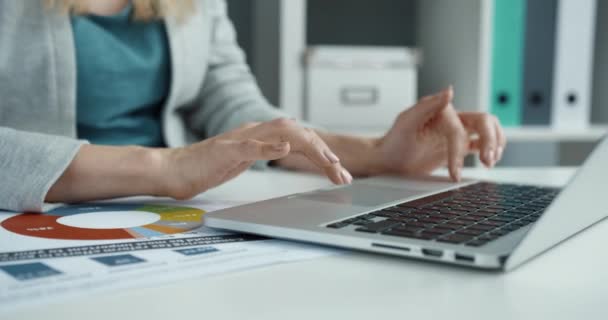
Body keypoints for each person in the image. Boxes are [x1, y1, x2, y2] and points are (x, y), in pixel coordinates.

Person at [0, 0, 506, 213]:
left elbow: (235, 108)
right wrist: (167, 166)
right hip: (34, 217)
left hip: (160, 214)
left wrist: (376, 153)